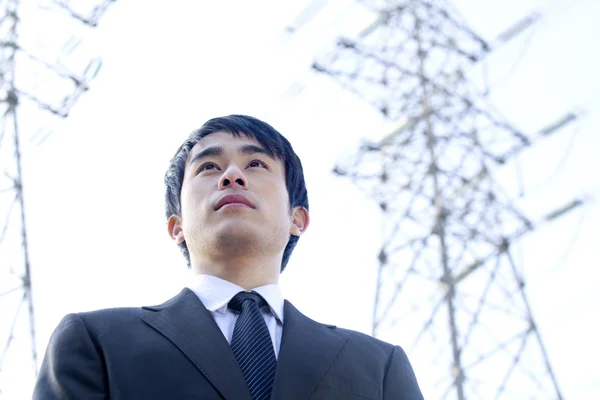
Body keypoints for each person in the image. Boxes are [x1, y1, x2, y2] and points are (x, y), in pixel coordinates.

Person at [33, 115, 423, 399]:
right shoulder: (97, 343)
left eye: (256, 164)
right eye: (208, 167)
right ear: (177, 226)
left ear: (297, 219)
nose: (232, 176)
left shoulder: (378, 366)